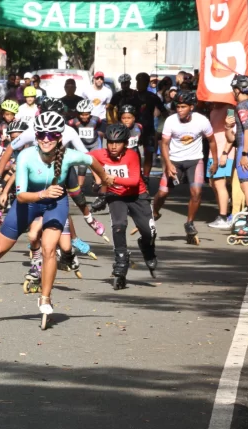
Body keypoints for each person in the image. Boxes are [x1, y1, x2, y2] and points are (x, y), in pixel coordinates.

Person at [0, 111, 113, 325]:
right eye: (41, 134)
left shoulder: (69, 155)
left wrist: (104, 176)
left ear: (59, 136)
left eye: (51, 135)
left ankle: (45, 298)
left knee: (49, 249)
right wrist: (42, 194)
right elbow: (22, 196)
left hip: (55, 203)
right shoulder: (26, 156)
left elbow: (91, 160)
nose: (45, 139)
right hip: (28, 202)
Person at [89, 124, 157, 289]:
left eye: (117, 143)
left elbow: (133, 181)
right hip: (116, 196)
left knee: (149, 232)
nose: (113, 146)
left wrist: (108, 178)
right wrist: (98, 177)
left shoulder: (132, 155)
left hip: (137, 196)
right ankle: (121, 260)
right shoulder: (100, 154)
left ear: (125, 144)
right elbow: (82, 158)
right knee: (119, 225)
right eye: (110, 142)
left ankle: (147, 247)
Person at [152, 91, 218, 245]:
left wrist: (214, 161)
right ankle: (154, 212)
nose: (179, 110)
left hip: (195, 160)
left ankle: (189, 223)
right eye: (177, 106)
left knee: (196, 192)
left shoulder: (202, 120)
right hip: (174, 160)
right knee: (162, 193)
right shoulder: (170, 121)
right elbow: (164, 144)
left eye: (183, 107)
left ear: (191, 107)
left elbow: (212, 141)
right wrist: (168, 165)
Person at [222, 75, 248, 243]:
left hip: (246, 148)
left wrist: (245, 153)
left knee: (246, 186)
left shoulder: (241, 106)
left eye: (233, 90)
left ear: (238, 90)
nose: (233, 93)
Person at [67, 99, 103, 188]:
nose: (84, 117)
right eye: (81, 114)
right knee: (82, 165)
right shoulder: (73, 122)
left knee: (96, 163)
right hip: (82, 145)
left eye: (86, 114)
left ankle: (98, 183)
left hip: (95, 144)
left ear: (90, 113)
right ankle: (80, 188)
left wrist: (100, 134)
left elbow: (101, 127)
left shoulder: (96, 119)